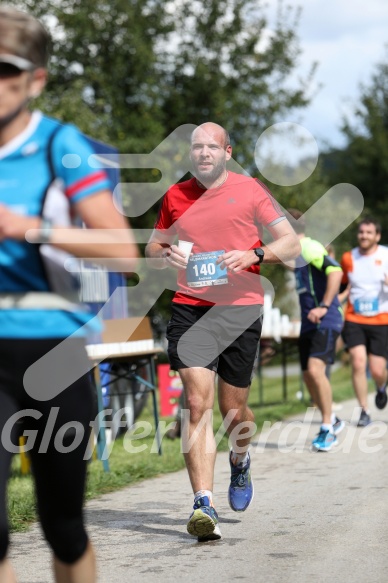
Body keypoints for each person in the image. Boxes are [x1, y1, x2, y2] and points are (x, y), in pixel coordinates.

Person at [0, 7, 138, 582]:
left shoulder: (62, 145)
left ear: (36, 79)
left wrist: (27, 228)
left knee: (63, 524)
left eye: (6, 71)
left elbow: (123, 252)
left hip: (53, 348)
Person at [145, 122, 300, 541]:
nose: (203, 154)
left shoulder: (250, 190)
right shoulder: (176, 196)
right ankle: (203, 504)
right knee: (196, 403)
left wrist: (253, 253)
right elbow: (153, 248)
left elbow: (291, 243)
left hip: (239, 310)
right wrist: (167, 254)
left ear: (227, 152)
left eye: (211, 147)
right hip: (190, 308)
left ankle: (240, 457)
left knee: (235, 414)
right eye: (196, 147)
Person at [287, 209, 345, 451]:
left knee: (315, 369)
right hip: (309, 323)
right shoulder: (296, 253)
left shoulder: (309, 248)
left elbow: (336, 271)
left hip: (326, 319)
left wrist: (323, 306)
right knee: (308, 375)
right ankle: (332, 419)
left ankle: (326, 429)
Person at [340, 218, 388, 427]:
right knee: (358, 362)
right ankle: (364, 411)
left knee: (377, 370)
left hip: (381, 319)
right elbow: (342, 285)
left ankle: (381, 386)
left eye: (369, 232)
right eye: (361, 232)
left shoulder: (386, 255)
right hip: (354, 318)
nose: (364, 236)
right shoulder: (348, 258)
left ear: (377, 236)